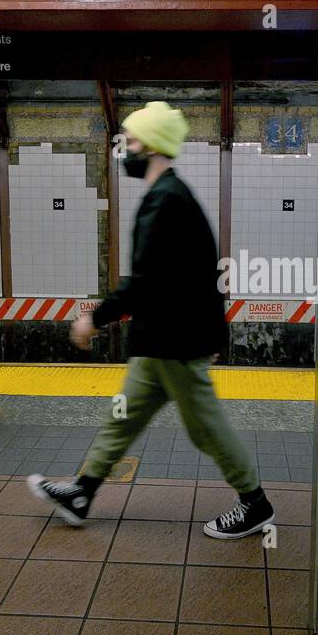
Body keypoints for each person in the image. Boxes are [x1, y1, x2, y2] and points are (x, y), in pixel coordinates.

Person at [28, 101, 276, 536]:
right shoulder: (170, 196)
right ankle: (82, 493)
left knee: (207, 429)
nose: (128, 148)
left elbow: (143, 283)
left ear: (155, 145)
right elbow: (200, 277)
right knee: (122, 419)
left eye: (134, 139)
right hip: (160, 341)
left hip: (175, 344)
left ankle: (255, 504)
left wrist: (93, 318)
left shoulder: (166, 202)